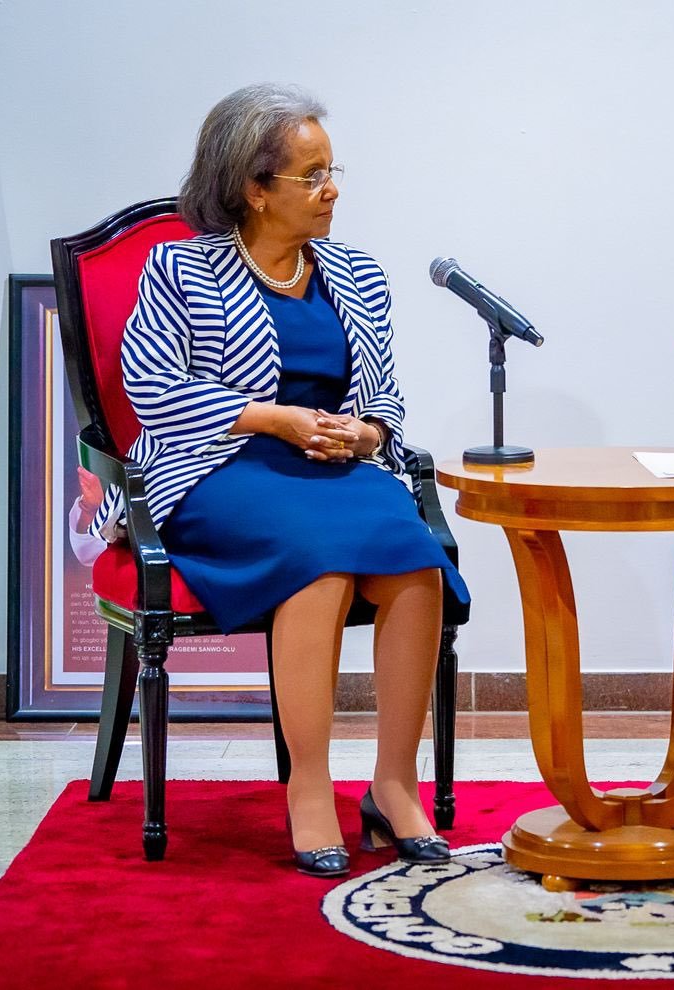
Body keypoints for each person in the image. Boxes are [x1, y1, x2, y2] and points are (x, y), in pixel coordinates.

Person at [90, 83, 469, 878]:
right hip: (221, 468)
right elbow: (151, 385)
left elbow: (385, 394)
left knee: (415, 558)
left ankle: (392, 786)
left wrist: (366, 432)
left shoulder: (356, 274)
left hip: (331, 465)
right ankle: (308, 788)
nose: (332, 189)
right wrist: (272, 418)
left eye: (333, 170)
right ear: (253, 189)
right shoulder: (179, 268)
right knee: (318, 562)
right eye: (311, 174)